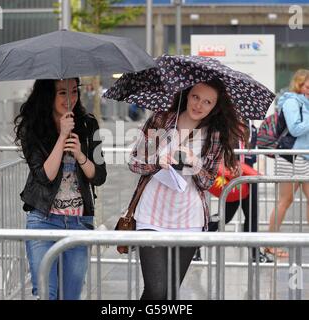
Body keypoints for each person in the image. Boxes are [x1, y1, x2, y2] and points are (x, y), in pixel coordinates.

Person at [128, 79, 247, 300]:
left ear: (215, 106)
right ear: (186, 94)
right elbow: (135, 162)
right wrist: (157, 161)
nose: (199, 105)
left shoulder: (214, 134)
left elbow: (208, 182)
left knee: (170, 292)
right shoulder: (161, 120)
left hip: (189, 218)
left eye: (207, 102)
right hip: (151, 214)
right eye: (195, 97)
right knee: (157, 290)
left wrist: (195, 164)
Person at [14, 78, 107, 300]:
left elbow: (99, 176)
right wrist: (62, 136)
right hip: (42, 220)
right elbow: (45, 176)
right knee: (46, 293)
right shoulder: (33, 126)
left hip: (78, 222)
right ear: (48, 95)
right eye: (62, 93)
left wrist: (80, 155)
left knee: (70, 295)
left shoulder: (87, 125)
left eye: (74, 91)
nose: (70, 98)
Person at [207, 124, 273, 263]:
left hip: (249, 179)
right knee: (225, 216)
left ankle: (255, 253)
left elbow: (253, 156)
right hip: (232, 180)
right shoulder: (224, 128)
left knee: (252, 216)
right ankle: (194, 244)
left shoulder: (252, 129)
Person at [265, 69, 309, 258]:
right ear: (299, 85)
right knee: (285, 200)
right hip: (291, 157)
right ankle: (270, 244)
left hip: (305, 157)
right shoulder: (292, 101)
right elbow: (296, 129)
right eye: (307, 85)